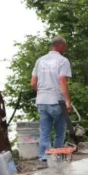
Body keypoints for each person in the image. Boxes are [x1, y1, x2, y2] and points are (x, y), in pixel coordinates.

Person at [30, 36, 72, 165]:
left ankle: (44, 156)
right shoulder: (63, 60)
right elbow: (62, 81)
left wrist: (42, 93)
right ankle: (57, 154)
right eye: (64, 47)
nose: (65, 49)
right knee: (60, 130)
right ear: (60, 46)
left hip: (42, 100)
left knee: (45, 130)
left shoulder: (40, 61)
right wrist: (67, 101)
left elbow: (33, 83)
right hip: (56, 100)